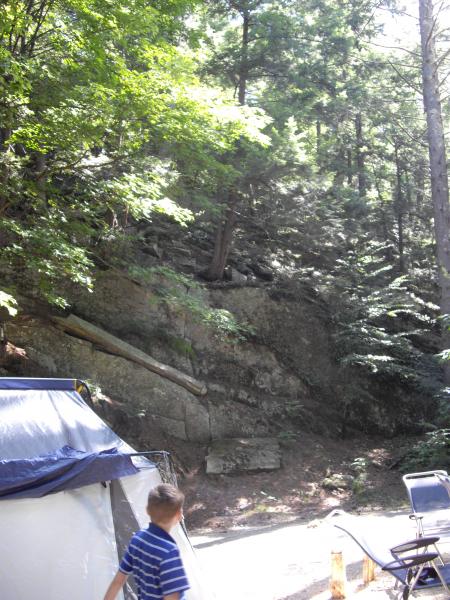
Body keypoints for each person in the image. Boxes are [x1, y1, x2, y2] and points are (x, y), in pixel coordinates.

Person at [103, 483, 190, 600]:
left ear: (147, 510)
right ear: (179, 514)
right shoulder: (169, 551)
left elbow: (118, 581)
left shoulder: (137, 539)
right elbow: (173, 597)